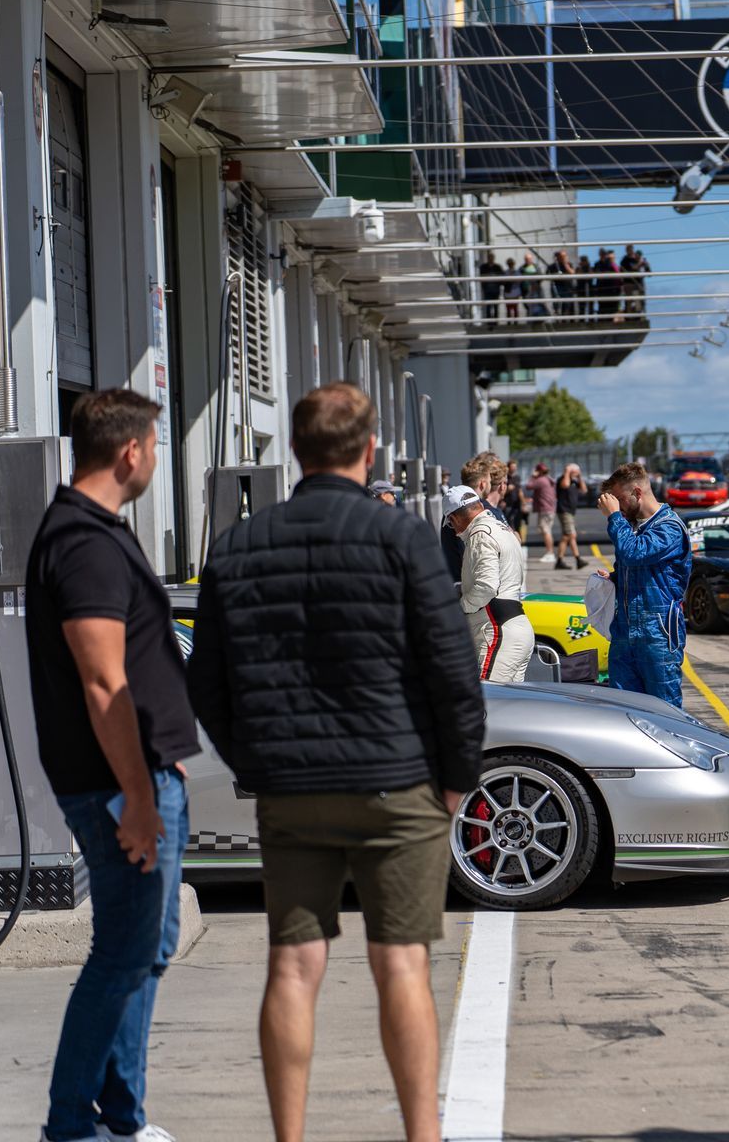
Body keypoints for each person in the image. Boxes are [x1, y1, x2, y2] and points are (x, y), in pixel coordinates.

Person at [187, 382, 486, 1142]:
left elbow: (208, 684)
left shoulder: (238, 547)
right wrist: (457, 778)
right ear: (370, 449)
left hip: (291, 789)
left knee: (293, 965)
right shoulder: (403, 538)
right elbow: (453, 674)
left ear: (294, 450)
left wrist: (257, 764)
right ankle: (422, 1136)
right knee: (402, 964)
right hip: (397, 781)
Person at [26, 389, 197, 1142]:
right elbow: (103, 682)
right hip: (116, 786)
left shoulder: (96, 531)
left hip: (143, 774)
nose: (156, 458)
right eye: (155, 446)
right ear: (130, 451)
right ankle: (72, 1127)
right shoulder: (84, 543)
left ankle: (122, 1119)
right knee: (122, 954)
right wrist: (139, 795)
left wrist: (164, 768)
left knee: (144, 951)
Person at [596, 460, 692, 706]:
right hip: (626, 631)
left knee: (663, 707)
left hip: (658, 632)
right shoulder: (633, 528)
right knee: (622, 706)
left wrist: (614, 517)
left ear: (637, 492)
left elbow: (635, 553)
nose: (618, 506)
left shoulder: (669, 527)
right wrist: (614, 578)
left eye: (620, 499)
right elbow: (636, 567)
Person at [461, 461, 532, 683]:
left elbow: (486, 586)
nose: (453, 530)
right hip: (518, 625)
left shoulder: (480, 534)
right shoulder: (503, 528)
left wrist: (461, 606)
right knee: (509, 701)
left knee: (488, 697)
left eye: (451, 523)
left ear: (456, 516)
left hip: (498, 630)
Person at [555, 462, 588, 569]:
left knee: (566, 536)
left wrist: (580, 477)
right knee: (571, 534)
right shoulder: (562, 479)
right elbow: (565, 485)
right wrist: (567, 471)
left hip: (570, 512)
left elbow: (584, 490)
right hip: (564, 510)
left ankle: (560, 561)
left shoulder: (574, 481)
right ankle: (577, 559)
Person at [527, 462, 558, 564]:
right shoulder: (549, 479)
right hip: (550, 508)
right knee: (546, 531)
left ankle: (550, 553)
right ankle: (550, 552)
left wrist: (533, 476)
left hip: (545, 509)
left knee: (546, 531)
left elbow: (529, 486)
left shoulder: (540, 480)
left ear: (539, 471)